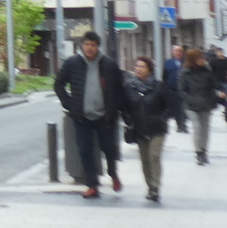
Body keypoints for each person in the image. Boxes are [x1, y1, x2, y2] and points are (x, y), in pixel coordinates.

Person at [53, 31, 125, 198]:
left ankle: (113, 173)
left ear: (98, 47)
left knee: (109, 148)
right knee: (85, 150)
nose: (89, 48)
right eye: (86, 44)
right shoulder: (72, 63)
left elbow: (119, 88)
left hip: (105, 116)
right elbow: (58, 84)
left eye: (93, 45)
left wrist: (116, 109)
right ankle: (92, 185)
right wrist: (69, 104)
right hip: (82, 116)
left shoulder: (109, 64)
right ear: (82, 46)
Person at [122, 56, 180, 202]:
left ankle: (155, 187)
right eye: (137, 66)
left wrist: (163, 117)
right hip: (139, 127)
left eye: (142, 67)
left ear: (149, 70)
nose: (138, 69)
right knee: (145, 159)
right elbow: (124, 106)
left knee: (154, 156)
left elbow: (172, 104)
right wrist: (128, 120)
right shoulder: (130, 87)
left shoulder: (159, 86)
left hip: (157, 128)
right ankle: (149, 186)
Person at [180, 47, 220, 165]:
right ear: (193, 59)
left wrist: (221, 90)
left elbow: (215, 84)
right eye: (199, 58)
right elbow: (181, 90)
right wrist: (190, 100)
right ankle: (199, 153)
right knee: (197, 128)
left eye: (202, 58)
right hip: (191, 105)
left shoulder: (207, 71)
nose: (202, 60)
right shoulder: (185, 73)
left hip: (206, 103)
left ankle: (204, 150)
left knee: (205, 129)